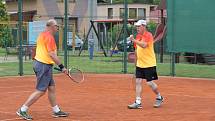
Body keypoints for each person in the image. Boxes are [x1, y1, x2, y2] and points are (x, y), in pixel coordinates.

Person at [16, 19, 69, 120]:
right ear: (51, 26)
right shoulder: (49, 37)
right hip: (43, 66)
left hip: (42, 64)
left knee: (52, 88)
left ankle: (56, 110)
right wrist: (62, 67)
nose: (58, 28)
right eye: (56, 26)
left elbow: (41, 50)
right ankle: (22, 110)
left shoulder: (42, 35)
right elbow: (51, 54)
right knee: (41, 90)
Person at [128, 20, 164, 109]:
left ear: (144, 26)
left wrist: (133, 40)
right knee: (138, 81)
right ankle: (138, 102)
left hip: (149, 64)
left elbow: (144, 45)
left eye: (139, 26)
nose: (137, 28)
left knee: (150, 83)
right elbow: (136, 50)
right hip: (140, 64)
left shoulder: (148, 35)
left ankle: (159, 97)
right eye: (136, 27)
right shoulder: (138, 37)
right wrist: (136, 63)